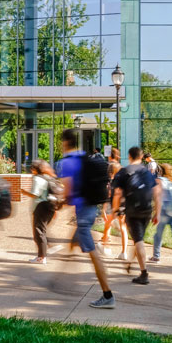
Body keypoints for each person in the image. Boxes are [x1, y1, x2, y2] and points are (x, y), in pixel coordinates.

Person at [57, 128, 115, 309]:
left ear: (65, 143)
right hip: (90, 208)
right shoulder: (84, 157)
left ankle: (107, 294)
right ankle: (63, 282)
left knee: (93, 254)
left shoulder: (67, 163)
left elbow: (68, 191)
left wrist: (59, 203)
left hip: (83, 213)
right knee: (72, 244)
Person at [111, 146, 159, 285]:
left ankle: (144, 273)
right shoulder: (147, 173)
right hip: (147, 210)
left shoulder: (124, 172)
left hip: (133, 210)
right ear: (141, 156)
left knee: (138, 240)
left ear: (130, 156)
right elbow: (157, 192)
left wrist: (114, 210)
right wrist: (158, 212)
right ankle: (131, 263)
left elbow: (118, 193)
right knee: (139, 239)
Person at [22, 159, 63, 264]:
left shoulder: (37, 179)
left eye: (32, 168)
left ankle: (41, 257)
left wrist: (24, 192)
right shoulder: (48, 178)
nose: (31, 170)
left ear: (35, 169)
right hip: (49, 207)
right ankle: (42, 255)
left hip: (41, 207)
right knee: (42, 232)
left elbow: (35, 194)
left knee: (39, 232)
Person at [101, 150, 128, 260]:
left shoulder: (112, 182)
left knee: (107, 224)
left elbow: (109, 195)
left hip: (115, 206)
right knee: (123, 228)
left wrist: (104, 209)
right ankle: (124, 252)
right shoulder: (124, 180)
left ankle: (104, 245)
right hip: (124, 205)